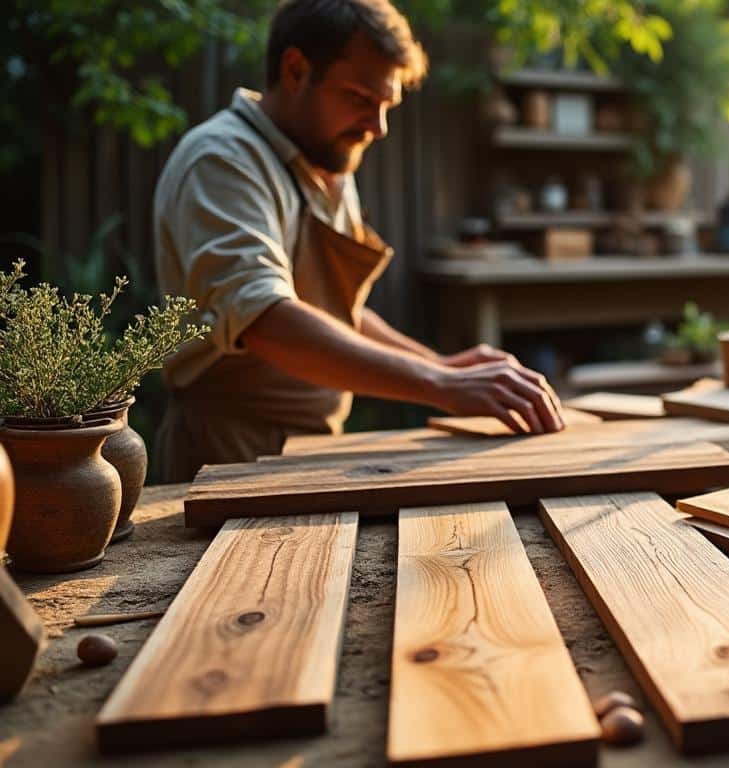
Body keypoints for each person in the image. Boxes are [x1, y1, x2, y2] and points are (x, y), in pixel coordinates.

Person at [153, 0, 563, 482]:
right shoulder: (223, 160)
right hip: (226, 451)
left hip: (313, 447)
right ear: (295, 69)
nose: (378, 126)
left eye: (386, 105)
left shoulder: (325, 160)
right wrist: (443, 384)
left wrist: (445, 366)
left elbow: (337, 316)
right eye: (360, 99)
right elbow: (264, 318)